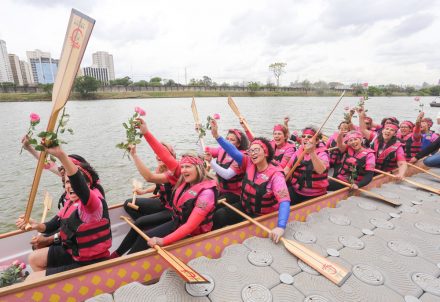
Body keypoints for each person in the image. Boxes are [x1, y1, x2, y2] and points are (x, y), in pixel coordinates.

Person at [118, 118, 218, 254]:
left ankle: (124, 263)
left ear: (198, 168)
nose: (183, 170)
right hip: (177, 221)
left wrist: (162, 241)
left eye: (188, 166)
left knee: (145, 238)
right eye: (182, 167)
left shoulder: (207, 194)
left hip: (192, 233)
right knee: (143, 235)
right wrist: (146, 133)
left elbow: (189, 227)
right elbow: (163, 154)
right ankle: (117, 257)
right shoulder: (184, 179)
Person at [16, 146, 111, 278]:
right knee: (33, 258)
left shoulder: (93, 203)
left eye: (72, 179)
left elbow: (79, 185)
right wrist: (36, 225)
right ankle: (51, 280)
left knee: (32, 277)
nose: (69, 185)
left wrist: (61, 154)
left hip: (90, 259)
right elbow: (55, 223)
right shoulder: (71, 199)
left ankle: (51, 281)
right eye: (66, 181)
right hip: (74, 251)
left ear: (88, 184)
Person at [210, 119, 290, 242]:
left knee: (234, 229)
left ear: (266, 153)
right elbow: (233, 151)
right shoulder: (248, 163)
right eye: (251, 150)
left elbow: (284, 201)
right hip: (244, 206)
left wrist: (281, 227)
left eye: (257, 150)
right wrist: (217, 136)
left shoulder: (276, 175)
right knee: (219, 215)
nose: (252, 153)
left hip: (262, 215)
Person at [111, 144, 176, 257]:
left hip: (172, 209)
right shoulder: (160, 168)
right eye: (157, 154)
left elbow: (150, 177)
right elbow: (159, 186)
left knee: (140, 222)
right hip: (163, 203)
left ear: (171, 155)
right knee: (129, 204)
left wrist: (134, 155)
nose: (158, 156)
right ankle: (150, 225)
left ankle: (118, 255)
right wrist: (144, 191)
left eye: (162, 153)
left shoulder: (175, 170)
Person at [284, 126, 330, 204]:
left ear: (316, 141)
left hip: (315, 195)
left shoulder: (322, 154)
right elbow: (287, 169)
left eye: (309, 137)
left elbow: (321, 170)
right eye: (303, 136)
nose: (305, 138)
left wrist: (312, 152)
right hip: (296, 191)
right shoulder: (298, 152)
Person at [205, 128, 249, 206]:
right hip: (221, 189)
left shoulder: (242, 157)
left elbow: (227, 175)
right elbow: (206, 151)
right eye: (227, 139)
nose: (228, 141)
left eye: (232, 140)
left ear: (239, 144)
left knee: (214, 207)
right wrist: (200, 131)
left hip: (235, 193)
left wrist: (211, 162)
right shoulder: (222, 150)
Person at [358, 109, 407, 179]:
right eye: (387, 129)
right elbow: (363, 129)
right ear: (383, 130)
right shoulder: (375, 137)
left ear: (395, 134)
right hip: (371, 169)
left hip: (385, 173)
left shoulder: (398, 147)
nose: (388, 131)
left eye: (392, 130)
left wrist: (401, 174)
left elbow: (402, 163)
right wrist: (361, 117)